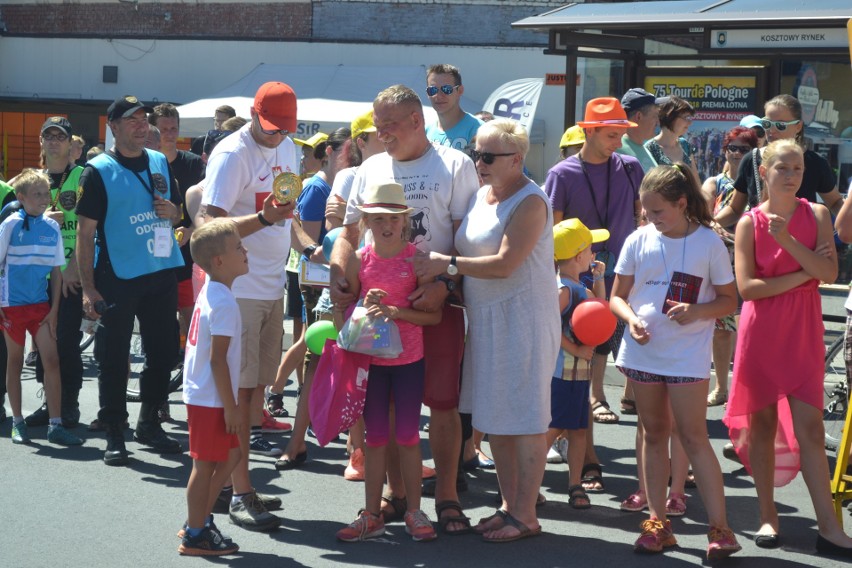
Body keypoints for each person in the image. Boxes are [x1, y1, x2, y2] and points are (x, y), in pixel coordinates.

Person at [329, 85, 479, 536]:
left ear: (417, 120)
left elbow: (468, 238)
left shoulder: (455, 163)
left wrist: (445, 283)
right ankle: (397, 497)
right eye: (378, 124)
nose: (381, 132)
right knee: (389, 412)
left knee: (443, 404)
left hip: (438, 302)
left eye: (389, 124)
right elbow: (348, 234)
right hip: (380, 309)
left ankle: (447, 495)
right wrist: (340, 274)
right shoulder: (371, 166)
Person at [414, 118, 560, 542]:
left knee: (527, 419)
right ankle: (509, 506)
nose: (479, 161)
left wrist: (448, 265)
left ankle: (527, 515)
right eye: (477, 153)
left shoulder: (532, 201)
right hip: (486, 319)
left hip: (524, 319)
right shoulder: (481, 195)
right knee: (496, 418)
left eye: (489, 155)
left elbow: (505, 263)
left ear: (517, 160)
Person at [725, 139, 852, 557]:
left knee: (811, 430)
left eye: (797, 168)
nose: (792, 174)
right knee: (761, 429)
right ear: (763, 171)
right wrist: (804, 273)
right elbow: (749, 289)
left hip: (801, 331)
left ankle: (829, 527)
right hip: (761, 332)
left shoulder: (816, 214)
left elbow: (830, 272)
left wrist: (791, 246)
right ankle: (768, 516)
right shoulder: (748, 222)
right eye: (783, 167)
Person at [610, 164, 741, 559]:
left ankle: (721, 529)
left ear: (682, 204)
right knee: (652, 435)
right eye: (647, 212)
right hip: (644, 352)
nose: (651, 219)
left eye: (659, 212)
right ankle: (657, 523)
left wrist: (698, 311)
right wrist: (631, 320)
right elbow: (617, 296)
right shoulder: (638, 239)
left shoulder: (708, 243)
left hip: (686, 358)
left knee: (693, 437)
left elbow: (729, 301)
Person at [201, 81, 298, 531]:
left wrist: (302, 242)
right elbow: (209, 224)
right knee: (239, 395)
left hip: (270, 285)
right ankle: (240, 492)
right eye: (271, 127)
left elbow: (287, 212)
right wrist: (262, 218)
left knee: (255, 393)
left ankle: (229, 484)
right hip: (237, 292)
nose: (278, 136)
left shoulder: (290, 148)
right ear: (254, 113)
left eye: (285, 129)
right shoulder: (232, 153)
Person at [77, 95, 185, 466]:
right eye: (132, 120)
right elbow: (84, 234)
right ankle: (114, 430)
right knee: (113, 356)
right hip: (119, 275)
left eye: (144, 119)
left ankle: (148, 422)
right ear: (114, 127)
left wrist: (174, 213)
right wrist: (89, 288)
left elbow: (176, 211)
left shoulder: (157, 160)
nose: (142, 125)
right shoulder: (98, 170)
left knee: (163, 353)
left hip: (160, 271)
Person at [544, 96, 644, 495]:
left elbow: (641, 215)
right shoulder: (562, 173)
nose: (619, 140)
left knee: (601, 356)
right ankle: (585, 461)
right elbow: (549, 236)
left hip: (617, 276)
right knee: (573, 370)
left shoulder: (632, 167)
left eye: (622, 133)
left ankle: (584, 456)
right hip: (574, 283)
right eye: (611, 134)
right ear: (587, 131)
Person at [335, 182, 441, 543]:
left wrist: (398, 311)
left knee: (409, 436)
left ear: (404, 221)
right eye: (378, 218)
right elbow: (344, 312)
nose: (386, 225)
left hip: (410, 361)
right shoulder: (359, 260)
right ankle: (372, 514)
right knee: (375, 438)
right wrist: (363, 306)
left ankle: (414, 510)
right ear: (366, 220)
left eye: (393, 219)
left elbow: (434, 318)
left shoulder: (416, 259)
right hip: (372, 365)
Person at [273, 128, 353, 471]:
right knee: (314, 350)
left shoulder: (349, 178)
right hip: (320, 280)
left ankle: (353, 441)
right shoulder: (321, 186)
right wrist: (314, 253)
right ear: (332, 151)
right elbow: (306, 233)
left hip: (348, 278)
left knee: (347, 356)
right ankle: (291, 424)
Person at [177, 219, 247, 557]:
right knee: (204, 465)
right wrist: (232, 406)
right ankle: (195, 532)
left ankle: (199, 516)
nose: (245, 251)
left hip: (205, 394)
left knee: (233, 453)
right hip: (210, 397)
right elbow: (218, 360)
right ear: (219, 261)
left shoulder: (212, 289)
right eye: (238, 248)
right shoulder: (224, 302)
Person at [1, 169, 82, 446]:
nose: (43, 199)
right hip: (11, 306)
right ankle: (18, 422)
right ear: (21, 198)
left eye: (46, 193)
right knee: (15, 361)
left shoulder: (53, 227)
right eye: (36, 194)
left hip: (41, 306)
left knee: (52, 361)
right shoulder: (10, 224)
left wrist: (55, 308)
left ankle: (55, 425)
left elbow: (57, 272)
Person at [24, 117, 87, 429]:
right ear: (41, 142)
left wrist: (76, 265)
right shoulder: (32, 180)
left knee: (65, 341)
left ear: (69, 142)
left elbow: (91, 226)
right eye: (48, 136)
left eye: (59, 136)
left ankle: (69, 404)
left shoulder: (82, 176)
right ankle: (50, 403)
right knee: (42, 342)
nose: (53, 141)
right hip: (38, 278)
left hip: (69, 274)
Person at [547, 218, 608, 506]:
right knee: (551, 429)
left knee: (579, 429)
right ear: (579, 256)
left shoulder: (580, 286)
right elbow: (547, 325)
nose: (594, 254)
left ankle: (575, 484)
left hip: (578, 375)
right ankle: (526, 482)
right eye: (591, 249)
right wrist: (575, 347)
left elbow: (602, 312)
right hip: (562, 373)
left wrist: (598, 280)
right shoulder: (564, 290)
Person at [715, 94, 843, 227]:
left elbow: (835, 202)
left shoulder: (814, 162)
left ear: (798, 126)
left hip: (801, 242)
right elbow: (735, 209)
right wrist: (709, 227)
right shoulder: (751, 159)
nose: (771, 130)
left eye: (780, 125)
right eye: (766, 123)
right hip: (761, 240)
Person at [701, 126, 758, 407]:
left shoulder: (759, 184)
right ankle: (722, 387)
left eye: (743, 149)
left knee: (750, 328)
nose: (736, 154)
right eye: (731, 148)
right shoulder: (714, 183)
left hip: (752, 263)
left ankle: (746, 390)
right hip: (720, 262)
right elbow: (703, 214)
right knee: (721, 329)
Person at [424, 64, 482, 150]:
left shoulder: (479, 130)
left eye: (446, 89)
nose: (439, 96)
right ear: (427, 93)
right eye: (432, 90)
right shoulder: (425, 132)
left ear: (460, 91)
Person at [644, 96, 700, 181]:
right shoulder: (649, 148)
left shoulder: (685, 144)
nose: (690, 122)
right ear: (671, 117)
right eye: (686, 117)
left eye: (690, 118)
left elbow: (696, 182)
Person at [617, 87, 666, 176]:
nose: (658, 122)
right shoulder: (616, 149)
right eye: (655, 116)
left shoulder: (644, 148)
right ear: (639, 116)